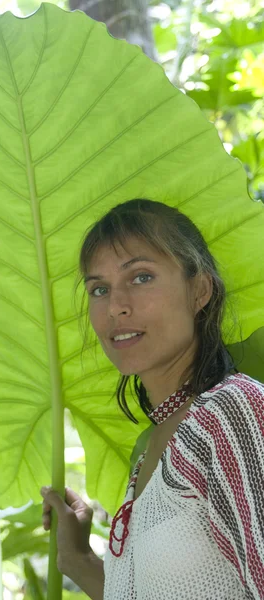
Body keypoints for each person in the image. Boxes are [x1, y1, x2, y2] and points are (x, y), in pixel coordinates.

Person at [40, 199, 264, 600]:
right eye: (99, 289)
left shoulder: (232, 412)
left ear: (200, 290)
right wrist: (77, 560)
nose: (116, 306)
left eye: (141, 277)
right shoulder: (149, 453)